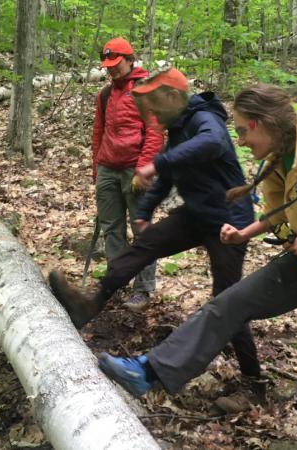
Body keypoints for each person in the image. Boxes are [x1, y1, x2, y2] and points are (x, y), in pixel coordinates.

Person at [97, 84, 297, 449]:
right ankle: (149, 372)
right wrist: (246, 232)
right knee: (228, 304)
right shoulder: (277, 156)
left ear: (264, 123)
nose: (239, 141)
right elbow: (283, 211)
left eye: (242, 130)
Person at [50, 68, 266, 410]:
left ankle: (254, 384)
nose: (151, 115)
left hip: (230, 222)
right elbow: (168, 175)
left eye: (154, 106)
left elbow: (208, 146)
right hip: (196, 215)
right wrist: (145, 210)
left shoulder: (205, 121)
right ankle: (91, 302)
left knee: (228, 302)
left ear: (172, 99)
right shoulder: (178, 129)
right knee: (145, 246)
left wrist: (156, 163)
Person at [92, 37, 162, 310]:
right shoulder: (105, 95)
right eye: (107, 65)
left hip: (135, 169)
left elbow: (155, 134)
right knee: (112, 230)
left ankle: (142, 290)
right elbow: (98, 132)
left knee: (141, 230)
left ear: (130, 60)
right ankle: (116, 283)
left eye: (115, 63)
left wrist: (143, 170)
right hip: (108, 168)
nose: (111, 69)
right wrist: (96, 169)